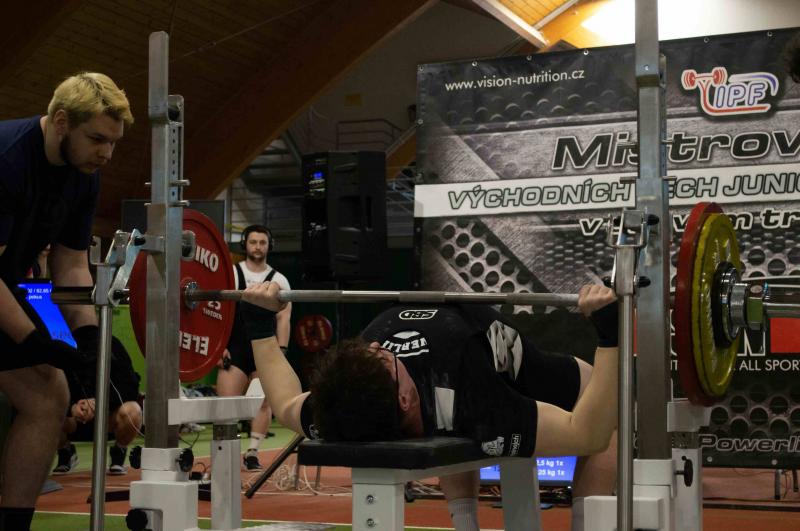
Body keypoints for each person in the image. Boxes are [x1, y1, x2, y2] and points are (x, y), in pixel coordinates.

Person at [240, 281, 619, 531]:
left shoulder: (336, 399)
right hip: (468, 357)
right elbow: (588, 433)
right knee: (606, 421)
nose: (377, 347)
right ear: (404, 398)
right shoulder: (475, 399)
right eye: (383, 358)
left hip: (494, 347)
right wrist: (610, 333)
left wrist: (259, 324)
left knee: (594, 396)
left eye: (371, 350)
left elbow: (285, 403)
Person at [0, 72, 132, 529]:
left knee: (48, 393)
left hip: (7, 283)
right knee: (42, 370)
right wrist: (31, 339)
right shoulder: (8, 158)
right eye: (97, 139)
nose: (106, 153)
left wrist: (90, 338)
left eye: (113, 142)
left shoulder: (84, 176)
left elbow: (72, 265)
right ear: (61, 122)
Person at [216, 225, 292, 470]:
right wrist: (219, 347)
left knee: (263, 402)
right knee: (226, 404)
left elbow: (284, 318)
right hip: (234, 348)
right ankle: (226, 454)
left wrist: (281, 351)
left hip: (265, 350)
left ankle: (252, 453)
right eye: (253, 242)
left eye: (262, 242)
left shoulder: (279, 280)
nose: (258, 247)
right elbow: (219, 312)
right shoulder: (232, 274)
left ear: (269, 246)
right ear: (245, 245)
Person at [52, 335, 142, 476]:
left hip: (106, 418)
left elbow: (131, 387)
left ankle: (118, 454)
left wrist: (99, 403)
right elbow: (51, 389)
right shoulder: (62, 345)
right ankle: (66, 452)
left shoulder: (111, 344)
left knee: (133, 410)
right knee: (47, 409)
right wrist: (72, 407)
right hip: (75, 419)